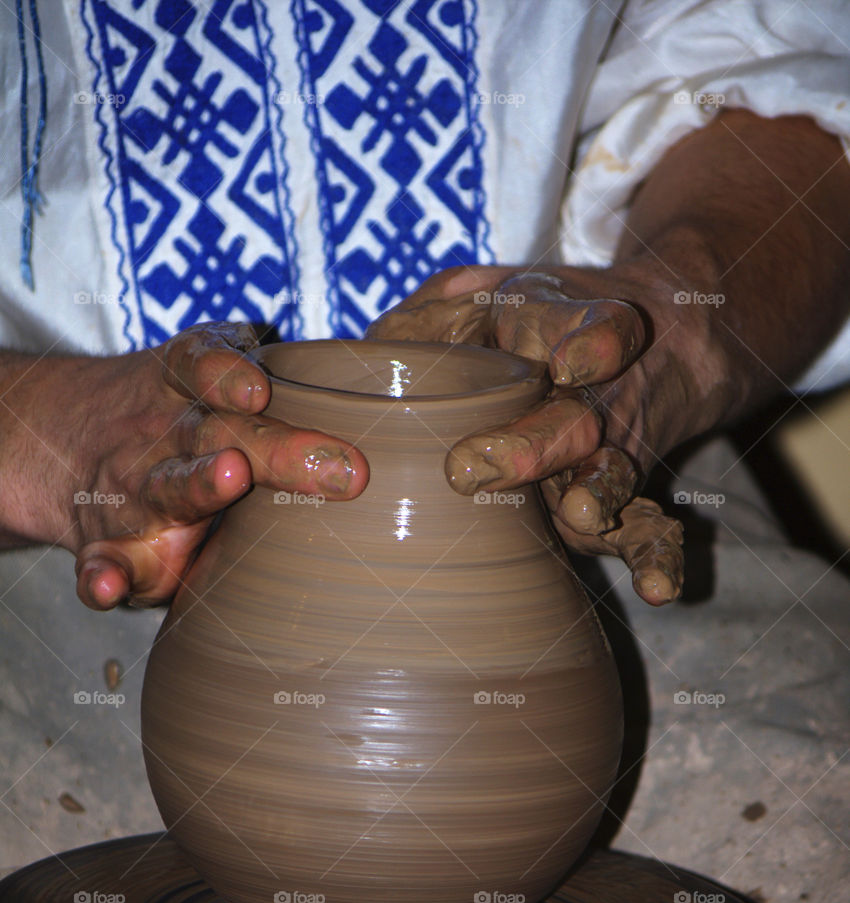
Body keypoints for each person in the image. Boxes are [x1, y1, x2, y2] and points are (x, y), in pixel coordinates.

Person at [1, 2, 848, 610]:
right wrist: (48, 437)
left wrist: (667, 332)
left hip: (589, 473)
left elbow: (783, 64)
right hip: (59, 532)